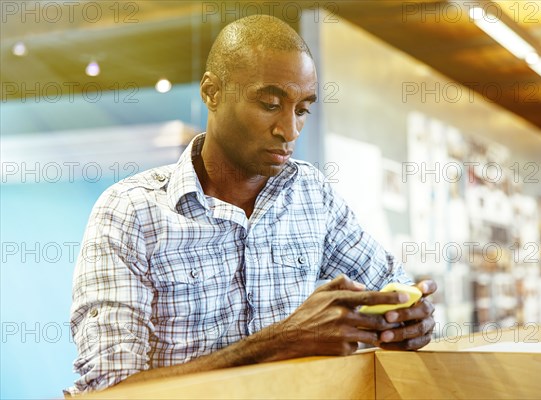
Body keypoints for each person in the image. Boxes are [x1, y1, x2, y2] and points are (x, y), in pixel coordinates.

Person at [66, 15, 436, 395]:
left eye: (302, 110)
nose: (289, 131)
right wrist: (277, 343)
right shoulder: (130, 213)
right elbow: (110, 390)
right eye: (270, 103)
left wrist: (408, 320)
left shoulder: (310, 194)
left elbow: (394, 287)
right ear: (211, 92)